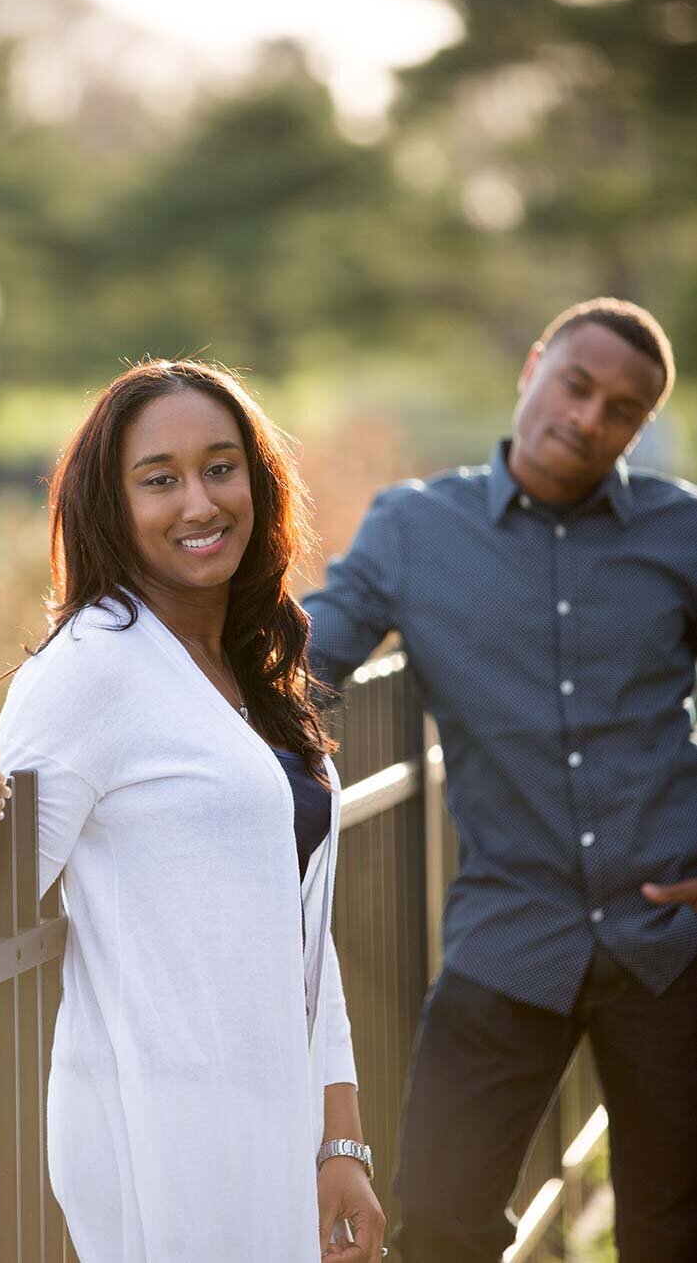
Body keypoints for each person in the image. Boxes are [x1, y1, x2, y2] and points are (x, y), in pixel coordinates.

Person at [0, 360, 386, 1263]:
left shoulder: (251, 669)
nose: (199, 502)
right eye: (159, 479)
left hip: (277, 1123)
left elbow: (302, 931)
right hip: (163, 1134)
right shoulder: (91, 667)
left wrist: (339, 1140)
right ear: (111, 502)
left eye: (221, 467)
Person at [303, 298, 697, 1262]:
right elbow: (298, 664)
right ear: (531, 369)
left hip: (672, 944)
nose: (589, 417)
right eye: (576, 384)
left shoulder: (679, 530)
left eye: (622, 409)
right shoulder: (412, 529)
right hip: (509, 932)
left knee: (673, 1228)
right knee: (438, 1222)